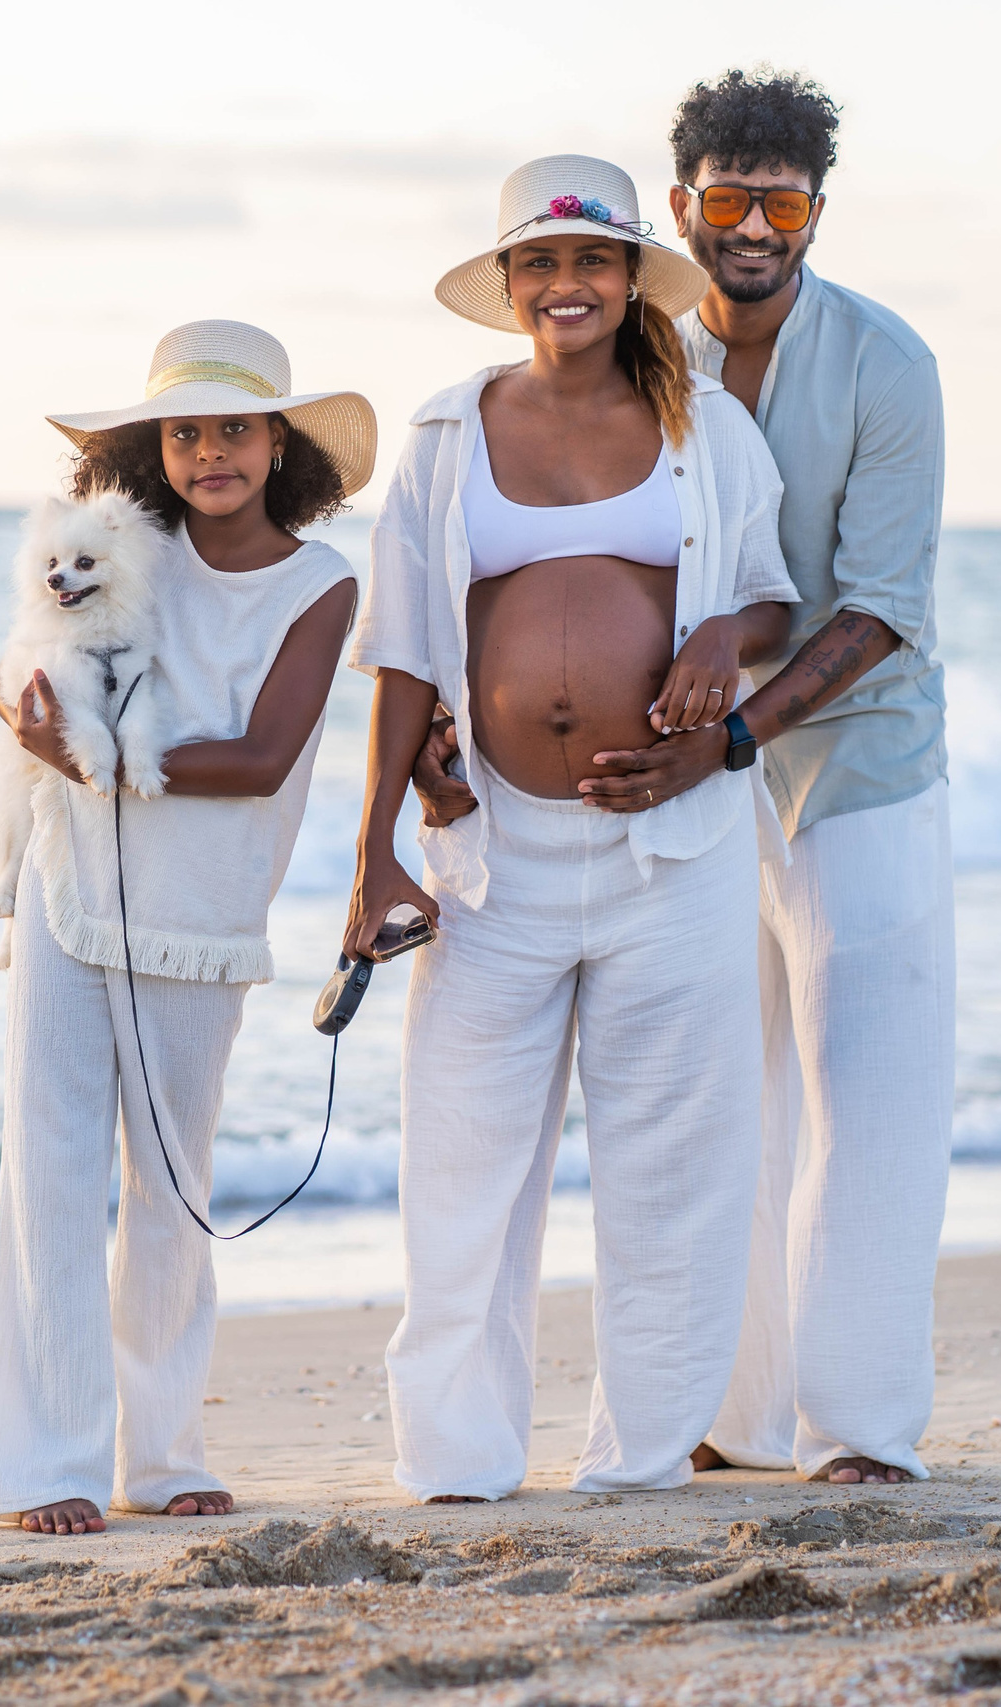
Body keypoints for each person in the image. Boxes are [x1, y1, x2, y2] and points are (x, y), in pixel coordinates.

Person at [421, 75, 954, 1486]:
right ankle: (734, 1412)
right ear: (685, 210)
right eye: (731, 199)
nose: (757, 225)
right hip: (677, 790)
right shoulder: (645, 355)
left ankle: (862, 1425)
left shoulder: (887, 363)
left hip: (853, 765)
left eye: (785, 201)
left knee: (868, 1090)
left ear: (819, 213)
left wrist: (725, 734)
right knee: (734, 1107)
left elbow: (881, 602)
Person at [348, 156, 799, 1503]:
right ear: (506, 284)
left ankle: (640, 1455)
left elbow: (770, 599)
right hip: (492, 856)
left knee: (672, 1168)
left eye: (590, 262)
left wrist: (721, 628)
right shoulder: (444, 434)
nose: (565, 285)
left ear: (627, 277)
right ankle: (456, 1458)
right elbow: (404, 655)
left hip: (675, 852)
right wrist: (372, 848)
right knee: (463, 1167)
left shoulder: (705, 427)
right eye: (540, 264)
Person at [0, 320, 372, 1535]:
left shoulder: (320, 584)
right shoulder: (118, 546)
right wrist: (22, 711)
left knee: (172, 1184)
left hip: (202, 916)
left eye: (234, 429)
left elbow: (258, 759)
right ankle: (44, 1464)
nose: (208, 454)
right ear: (156, 448)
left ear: (277, 443)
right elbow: (23, 655)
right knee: (47, 1168)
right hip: (70, 885)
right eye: (184, 432)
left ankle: (162, 1451)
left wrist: (83, 756)